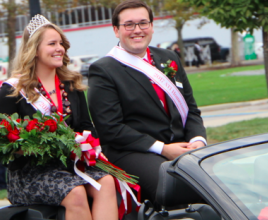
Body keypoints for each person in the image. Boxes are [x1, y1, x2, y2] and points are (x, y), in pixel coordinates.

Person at [0, 14, 118, 220]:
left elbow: (86, 126)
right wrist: (30, 148)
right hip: (30, 173)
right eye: (52, 43)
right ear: (34, 50)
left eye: (61, 43)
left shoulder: (71, 84)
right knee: (76, 192)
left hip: (71, 165)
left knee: (106, 182)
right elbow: (2, 149)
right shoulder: (12, 91)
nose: (60, 48)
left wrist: (87, 145)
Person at [88, 0, 206, 203]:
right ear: (116, 30)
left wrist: (197, 140)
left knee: (219, 180)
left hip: (180, 145)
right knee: (177, 185)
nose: (137, 30)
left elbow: (191, 111)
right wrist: (163, 149)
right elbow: (110, 128)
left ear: (151, 26)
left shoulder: (169, 58)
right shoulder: (104, 70)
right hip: (134, 151)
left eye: (143, 23)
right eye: (129, 25)